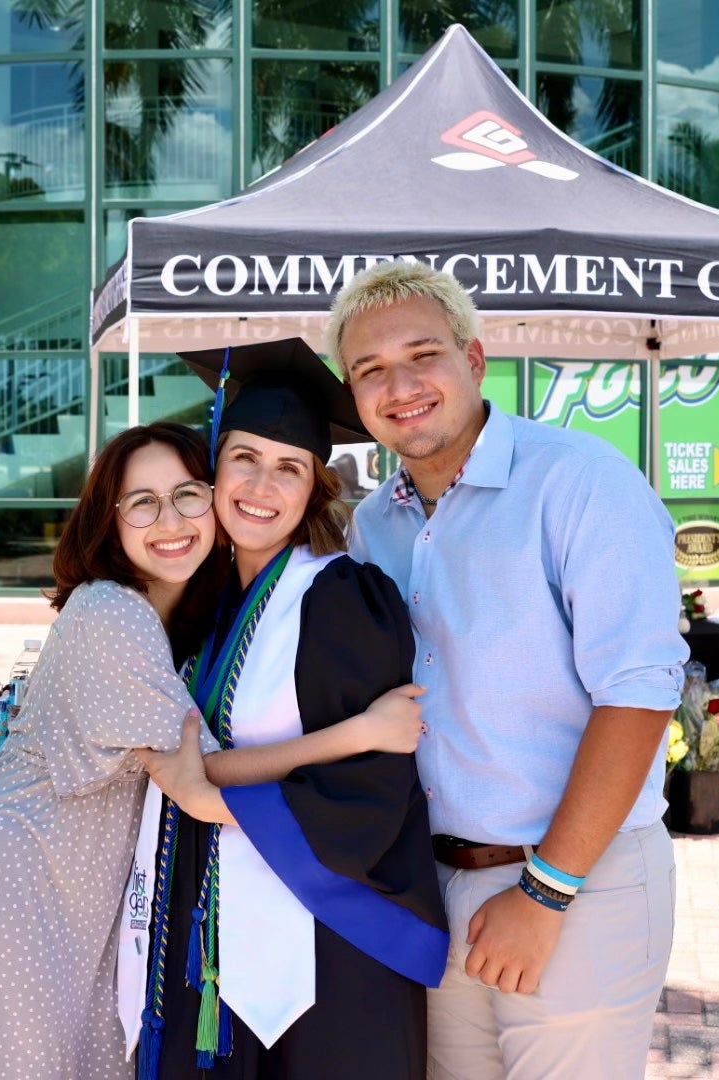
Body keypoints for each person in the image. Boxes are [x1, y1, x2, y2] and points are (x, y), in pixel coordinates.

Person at [0, 422, 424, 1080]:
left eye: (187, 495)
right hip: (24, 880)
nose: (171, 521)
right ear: (110, 521)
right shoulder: (113, 613)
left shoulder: (181, 618)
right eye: (142, 502)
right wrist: (361, 733)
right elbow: (200, 770)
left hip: (74, 889)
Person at [328, 261, 689, 1079]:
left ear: (475, 358)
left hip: (574, 884)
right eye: (371, 370)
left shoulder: (579, 483)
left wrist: (546, 892)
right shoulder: (374, 526)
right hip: (437, 884)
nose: (401, 385)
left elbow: (637, 696)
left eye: (423, 355)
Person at [131, 341, 448, 1080]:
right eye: (244, 458)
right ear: (213, 470)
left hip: (329, 952)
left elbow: (371, 792)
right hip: (210, 943)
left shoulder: (342, 599)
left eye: (290, 467)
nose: (261, 485)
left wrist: (212, 801)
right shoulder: (203, 609)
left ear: (314, 491)